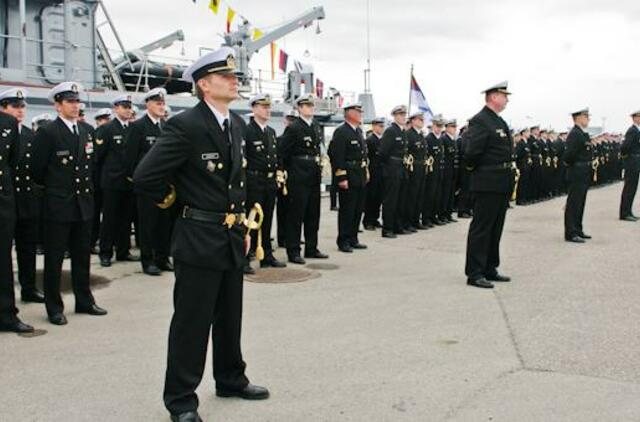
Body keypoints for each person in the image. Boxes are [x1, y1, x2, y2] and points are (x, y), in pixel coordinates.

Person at [133, 47, 269, 422]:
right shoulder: (186, 125)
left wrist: (241, 225)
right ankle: (180, 400)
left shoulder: (236, 124)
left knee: (230, 316)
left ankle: (230, 378)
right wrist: (178, 203)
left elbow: (237, 182)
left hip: (229, 236)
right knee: (192, 323)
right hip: (198, 236)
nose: (234, 80)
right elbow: (145, 177)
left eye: (233, 75)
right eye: (225, 76)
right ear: (204, 85)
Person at [31, 82, 107, 325]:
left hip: (83, 203)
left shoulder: (86, 130)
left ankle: (84, 300)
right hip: (58, 204)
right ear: (58, 105)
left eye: (77, 102)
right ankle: (54, 307)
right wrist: (57, 190)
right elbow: (37, 171)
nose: (75, 106)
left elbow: (91, 165)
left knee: (82, 256)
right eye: (70, 102)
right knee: (54, 259)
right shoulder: (48, 132)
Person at [463, 81, 514, 289]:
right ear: (493, 97)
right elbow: (471, 153)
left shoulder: (498, 121)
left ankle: (490, 267)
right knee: (482, 228)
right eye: (504, 95)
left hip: (501, 181)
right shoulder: (480, 120)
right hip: (487, 182)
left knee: (496, 228)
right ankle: (474, 272)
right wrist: (483, 172)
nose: (507, 99)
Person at [0, 88, 44, 303]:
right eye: (15, 107)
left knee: (27, 247)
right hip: (8, 199)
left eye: (22, 107)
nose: (20, 111)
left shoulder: (29, 134)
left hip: (27, 198)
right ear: (3, 108)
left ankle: (29, 288)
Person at [278, 94, 329, 264]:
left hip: (313, 174)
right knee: (296, 215)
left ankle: (311, 248)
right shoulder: (294, 128)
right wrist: (284, 173)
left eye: (311, 105)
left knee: (313, 213)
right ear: (299, 108)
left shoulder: (314, 125)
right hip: (298, 175)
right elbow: (282, 152)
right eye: (306, 105)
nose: (310, 108)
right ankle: (293, 251)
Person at [129, 87, 175, 275]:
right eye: (158, 103)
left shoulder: (167, 127)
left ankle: (162, 258)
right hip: (147, 186)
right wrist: (136, 181)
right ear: (148, 104)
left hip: (165, 186)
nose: (161, 106)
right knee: (147, 226)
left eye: (163, 103)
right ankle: (148, 261)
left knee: (165, 225)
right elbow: (130, 159)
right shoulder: (138, 127)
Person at [0, 96, 34, 333]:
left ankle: (6, 314)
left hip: (2, 201)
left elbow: (10, 162)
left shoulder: (7, 124)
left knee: (3, 261)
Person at [243, 93, 286, 272]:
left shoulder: (271, 132)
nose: (267, 110)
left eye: (269, 107)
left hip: (269, 182)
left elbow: (277, 158)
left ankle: (266, 255)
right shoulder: (247, 130)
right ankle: (244, 258)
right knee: (250, 221)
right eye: (263, 107)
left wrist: (279, 176)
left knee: (267, 219)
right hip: (254, 181)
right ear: (254, 109)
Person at [95, 94, 139, 267]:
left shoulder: (134, 129)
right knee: (109, 219)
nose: (128, 110)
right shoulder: (107, 129)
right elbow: (99, 157)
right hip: (112, 181)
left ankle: (123, 250)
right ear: (116, 108)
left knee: (126, 219)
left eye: (129, 107)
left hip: (129, 181)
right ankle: (105, 252)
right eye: (124, 107)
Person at [329, 103, 368, 252]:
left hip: (360, 174)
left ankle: (353, 238)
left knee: (358, 209)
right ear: (349, 113)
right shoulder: (341, 132)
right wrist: (341, 177)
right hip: (349, 175)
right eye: (357, 112)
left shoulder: (358, 131)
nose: (360, 114)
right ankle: (343, 240)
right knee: (347, 210)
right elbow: (337, 156)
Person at [563, 108, 594, 243]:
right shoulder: (575, 134)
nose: (588, 118)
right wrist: (577, 166)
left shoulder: (583, 134)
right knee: (574, 203)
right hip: (577, 172)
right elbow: (568, 156)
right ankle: (571, 232)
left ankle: (578, 229)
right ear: (578, 118)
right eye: (586, 116)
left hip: (583, 172)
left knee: (580, 202)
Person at [378, 105, 409, 238]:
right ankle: (387, 228)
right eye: (400, 115)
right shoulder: (391, 131)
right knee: (390, 200)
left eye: (404, 114)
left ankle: (398, 225)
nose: (403, 117)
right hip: (392, 168)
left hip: (401, 167)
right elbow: (383, 153)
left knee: (401, 199)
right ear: (395, 116)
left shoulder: (402, 132)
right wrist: (390, 166)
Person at [90, 108, 112, 253]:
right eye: (103, 119)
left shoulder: (107, 131)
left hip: (105, 180)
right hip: (96, 180)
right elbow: (96, 158)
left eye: (107, 118)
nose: (106, 121)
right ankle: (92, 241)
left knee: (108, 215)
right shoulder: (98, 133)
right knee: (94, 214)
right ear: (98, 121)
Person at [276, 109, 297, 248]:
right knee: (283, 208)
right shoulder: (280, 139)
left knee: (293, 209)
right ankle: (282, 237)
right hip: (285, 176)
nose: (291, 122)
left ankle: (292, 236)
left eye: (293, 119)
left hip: (295, 176)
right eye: (290, 119)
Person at [406, 111, 429, 230]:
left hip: (421, 167)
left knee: (420, 195)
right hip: (413, 168)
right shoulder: (409, 134)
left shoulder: (421, 135)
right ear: (413, 120)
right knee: (412, 196)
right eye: (419, 119)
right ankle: (408, 221)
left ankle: (415, 220)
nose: (422, 121)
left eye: (422, 120)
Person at [363, 117, 385, 230]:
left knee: (379, 197)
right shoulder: (370, 140)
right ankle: (368, 221)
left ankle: (375, 218)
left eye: (382, 126)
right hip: (373, 171)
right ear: (374, 126)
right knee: (371, 197)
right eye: (379, 126)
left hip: (382, 171)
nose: (381, 128)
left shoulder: (383, 140)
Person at [619, 110, 640, 221]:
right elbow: (624, 147)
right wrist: (629, 158)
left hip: (635, 162)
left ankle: (629, 211)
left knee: (632, 188)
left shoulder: (637, 131)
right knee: (629, 188)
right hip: (632, 163)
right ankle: (624, 213)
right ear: (635, 118)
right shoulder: (632, 131)